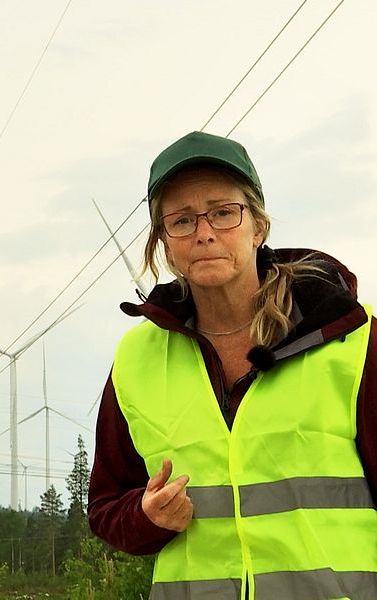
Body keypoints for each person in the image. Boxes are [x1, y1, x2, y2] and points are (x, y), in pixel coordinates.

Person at [87, 131, 377, 600]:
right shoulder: (136, 360)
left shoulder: (353, 340)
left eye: (223, 212)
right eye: (181, 220)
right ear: (164, 240)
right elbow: (104, 506)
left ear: (258, 227)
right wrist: (146, 519)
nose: (204, 233)